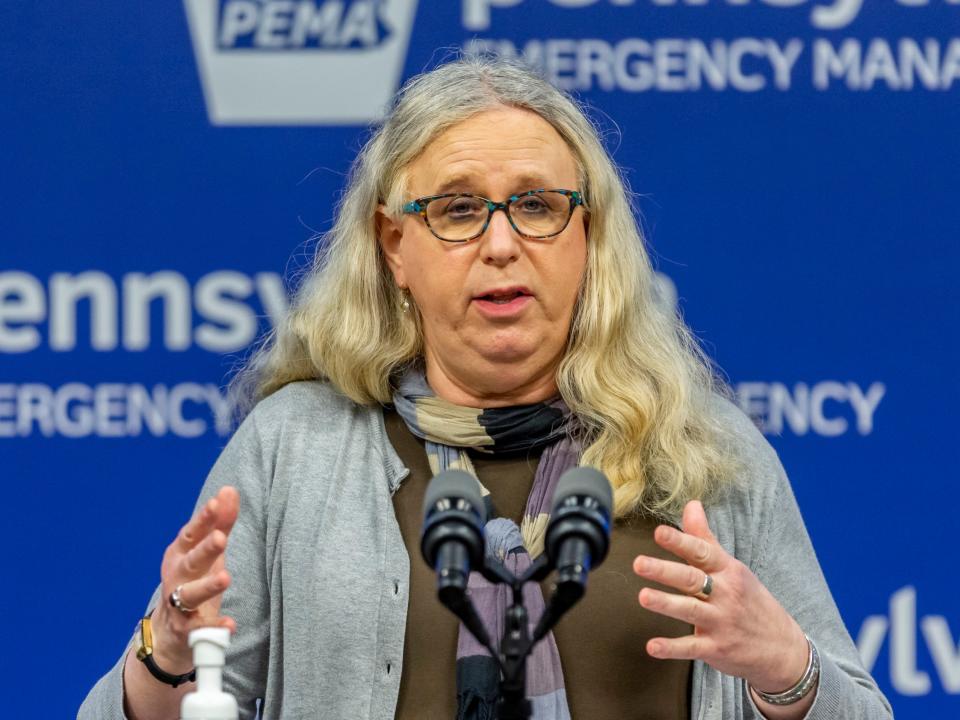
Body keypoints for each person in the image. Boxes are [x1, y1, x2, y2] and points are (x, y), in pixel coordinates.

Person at [79, 56, 893, 720]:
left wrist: (787, 672)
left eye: (537, 205)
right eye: (460, 209)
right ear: (394, 244)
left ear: (588, 237)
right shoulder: (296, 447)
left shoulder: (700, 450)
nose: (501, 244)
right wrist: (169, 654)